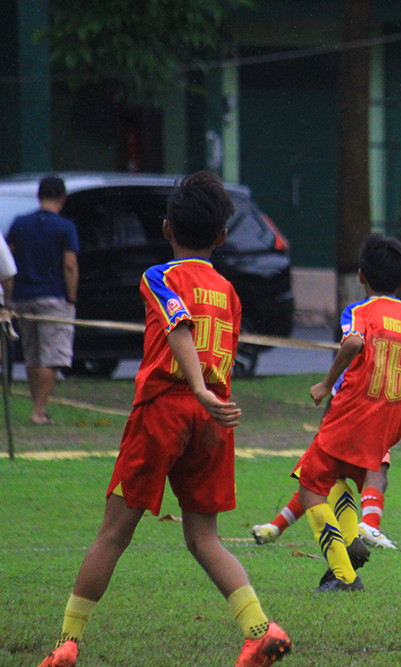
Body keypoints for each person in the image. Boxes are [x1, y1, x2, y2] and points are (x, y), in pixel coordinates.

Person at [36, 172, 290, 667]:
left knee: (114, 532)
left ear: (167, 228)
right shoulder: (229, 292)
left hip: (166, 409)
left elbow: (179, 326)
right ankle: (260, 629)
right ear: (222, 237)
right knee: (203, 537)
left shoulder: (160, 276)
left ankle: (67, 641)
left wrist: (194, 387)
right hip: (213, 420)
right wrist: (209, 395)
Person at [291, 233, 401, 591]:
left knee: (310, 488)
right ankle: (351, 539)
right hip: (386, 430)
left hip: (350, 417)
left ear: (361, 275)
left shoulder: (360, 312)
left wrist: (325, 384)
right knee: (337, 478)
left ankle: (345, 576)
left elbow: (353, 341)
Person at [6, 175, 79, 425]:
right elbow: (69, 265)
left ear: (38, 196)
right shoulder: (65, 227)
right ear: (63, 198)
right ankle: (38, 410)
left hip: (23, 297)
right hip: (53, 298)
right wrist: (71, 297)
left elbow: (8, 260)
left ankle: (38, 407)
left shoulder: (20, 224)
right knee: (51, 357)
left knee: (32, 355)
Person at [251, 455, 397, 549]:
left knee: (320, 478)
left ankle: (275, 527)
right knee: (377, 471)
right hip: (367, 421)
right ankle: (370, 525)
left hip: (338, 425)